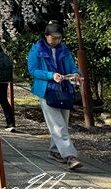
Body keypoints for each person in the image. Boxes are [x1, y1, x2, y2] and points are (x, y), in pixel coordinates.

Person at [27, 20, 83, 170]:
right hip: (46, 90)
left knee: (62, 123)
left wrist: (76, 74)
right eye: (53, 37)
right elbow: (33, 70)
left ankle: (54, 151)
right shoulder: (36, 49)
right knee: (58, 125)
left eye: (59, 38)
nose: (56, 41)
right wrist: (51, 75)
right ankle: (70, 156)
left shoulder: (64, 49)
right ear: (46, 36)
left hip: (64, 89)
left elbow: (71, 66)